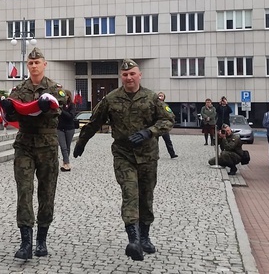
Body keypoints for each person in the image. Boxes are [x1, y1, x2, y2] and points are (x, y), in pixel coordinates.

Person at [73, 59, 174, 261]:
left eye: (132, 74)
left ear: (139, 75)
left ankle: (144, 236)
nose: (129, 78)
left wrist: (149, 132)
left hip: (147, 156)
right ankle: (134, 240)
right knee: (130, 192)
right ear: (122, 76)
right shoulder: (111, 99)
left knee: (146, 196)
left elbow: (168, 120)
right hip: (123, 154)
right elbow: (95, 121)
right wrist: (81, 142)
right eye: (125, 74)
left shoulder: (152, 98)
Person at [0, 47, 67, 260]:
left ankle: (41, 239)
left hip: (47, 145)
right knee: (24, 191)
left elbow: (59, 106)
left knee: (47, 193)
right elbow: (12, 112)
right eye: (30, 63)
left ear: (44, 64)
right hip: (25, 144)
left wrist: (46, 106)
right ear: (27, 66)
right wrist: (8, 108)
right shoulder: (19, 89)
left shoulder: (54, 89)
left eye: (37, 62)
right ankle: (26, 241)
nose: (34, 66)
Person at [56, 90, 76, 172]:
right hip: (60, 128)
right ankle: (67, 164)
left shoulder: (72, 105)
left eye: (66, 95)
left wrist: (62, 111)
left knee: (67, 147)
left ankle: (65, 162)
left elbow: (71, 116)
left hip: (69, 128)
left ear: (68, 96)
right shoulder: (59, 105)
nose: (64, 97)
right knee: (63, 147)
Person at [156, 92, 178, 158]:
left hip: (163, 125)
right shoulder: (153, 104)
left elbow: (170, 114)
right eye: (159, 95)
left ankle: (172, 154)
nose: (160, 97)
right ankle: (155, 155)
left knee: (168, 140)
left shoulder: (165, 106)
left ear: (164, 98)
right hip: (156, 125)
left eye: (161, 96)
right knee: (154, 142)